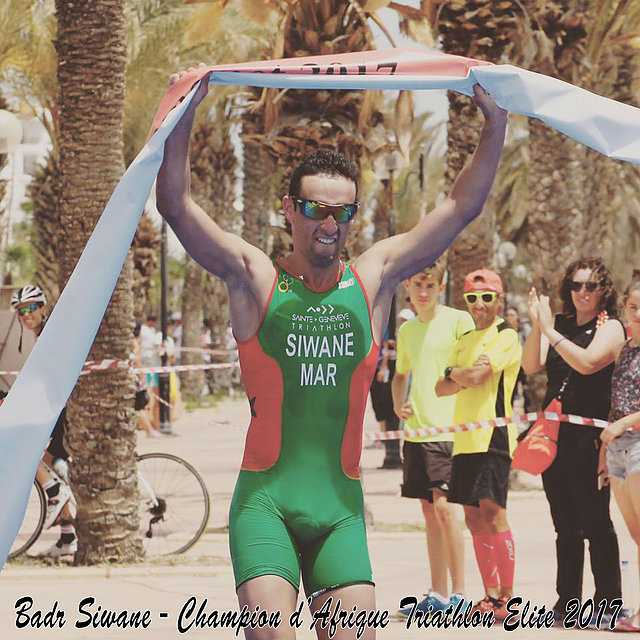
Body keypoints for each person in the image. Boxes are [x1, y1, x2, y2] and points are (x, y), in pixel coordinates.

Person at [156, 65, 506, 639]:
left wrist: (494, 125)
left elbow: (459, 208)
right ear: (289, 208)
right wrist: (183, 114)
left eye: (342, 212)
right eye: (315, 208)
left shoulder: (373, 280)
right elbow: (175, 204)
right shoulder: (256, 279)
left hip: (341, 511)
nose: (328, 222)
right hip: (265, 504)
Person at [522, 257, 626, 625]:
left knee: (596, 520)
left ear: (603, 290)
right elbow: (531, 365)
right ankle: (567, 601)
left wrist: (550, 332)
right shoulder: (560, 324)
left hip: (593, 437)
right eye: (576, 285)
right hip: (556, 435)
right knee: (564, 522)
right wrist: (538, 326)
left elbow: (587, 362)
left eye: (590, 286)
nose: (583, 292)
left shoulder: (610, 327)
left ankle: (608, 602)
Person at [435, 269, 522, 620]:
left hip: (493, 436)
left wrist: (456, 373)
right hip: (464, 440)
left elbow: (476, 376)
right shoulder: (465, 339)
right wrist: (457, 374)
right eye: (473, 297)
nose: (480, 304)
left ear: (499, 300)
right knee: (472, 517)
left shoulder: (506, 335)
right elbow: (441, 387)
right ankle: (490, 596)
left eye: (487, 297)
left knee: (493, 513)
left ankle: (508, 598)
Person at [392, 261, 474, 618]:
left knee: (445, 509)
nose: (423, 293)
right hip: (416, 433)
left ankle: (460, 593)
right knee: (428, 512)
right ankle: (437, 594)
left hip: (450, 431)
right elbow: (400, 375)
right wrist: (398, 404)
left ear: (441, 288)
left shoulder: (459, 321)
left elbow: (474, 369)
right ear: (407, 287)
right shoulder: (407, 330)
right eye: (417, 286)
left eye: (430, 286)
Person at [11, 286, 77, 556]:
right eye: (20, 311)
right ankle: (68, 537)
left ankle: (54, 491)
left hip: (65, 408)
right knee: (49, 465)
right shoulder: (44, 335)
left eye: (30, 308)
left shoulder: (50, 335)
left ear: (43, 309)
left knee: (26, 454)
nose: (26, 315)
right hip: (60, 406)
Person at [600, 269, 640, 631]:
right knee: (636, 534)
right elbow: (615, 403)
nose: (638, 314)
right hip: (616, 450)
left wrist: (625, 423)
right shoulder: (625, 349)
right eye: (633, 307)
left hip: (638, 444)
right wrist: (604, 452)